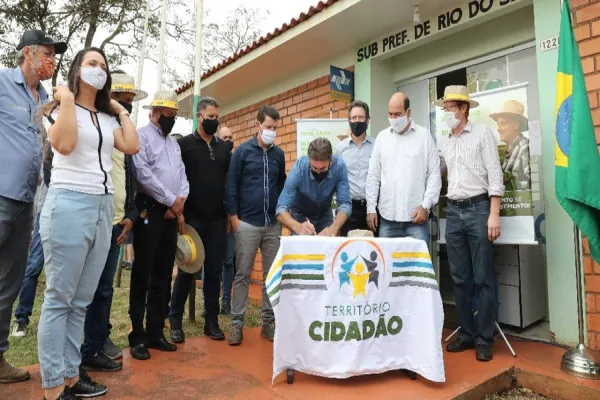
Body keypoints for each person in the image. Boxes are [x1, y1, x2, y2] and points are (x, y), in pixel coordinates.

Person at [37, 47, 138, 400]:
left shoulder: (107, 118)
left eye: (103, 65)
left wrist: (120, 109)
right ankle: (53, 385)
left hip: (103, 207)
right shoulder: (59, 108)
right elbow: (64, 144)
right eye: (91, 63)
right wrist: (66, 98)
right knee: (59, 299)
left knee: (81, 301)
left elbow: (132, 145)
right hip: (69, 203)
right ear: (78, 70)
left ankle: (70, 375)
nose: (99, 69)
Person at [0, 29, 66, 384]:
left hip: (27, 200)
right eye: (47, 54)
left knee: (9, 282)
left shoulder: (43, 97)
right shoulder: (2, 82)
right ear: (27, 53)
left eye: (54, 56)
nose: (51, 61)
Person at [79, 71, 147, 374]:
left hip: (118, 222)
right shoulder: (95, 127)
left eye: (130, 101)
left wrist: (130, 216)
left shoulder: (123, 133)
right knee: (86, 289)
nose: (126, 105)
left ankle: (98, 341)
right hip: (93, 218)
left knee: (105, 288)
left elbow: (131, 181)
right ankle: (84, 349)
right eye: (122, 99)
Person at [437, 85, 504, 362]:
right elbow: (439, 173)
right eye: (444, 108)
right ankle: (466, 333)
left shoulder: (482, 134)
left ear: (463, 109)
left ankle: (484, 338)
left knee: (483, 277)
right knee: (459, 277)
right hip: (453, 211)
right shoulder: (446, 141)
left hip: (479, 209)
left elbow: (495, 174)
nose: (446, 112)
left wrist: (494, 213)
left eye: (450, 108)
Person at [129, 91, 188, 360]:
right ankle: (137, 335)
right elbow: (142, 175)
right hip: (150, 210)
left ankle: (155, 331)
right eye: (167, 115)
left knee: (163, 274)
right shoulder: (141, 137)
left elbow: (182, 176)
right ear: (154, 113)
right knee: (142, 273)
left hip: (170, 214)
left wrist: (179, 202)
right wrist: (169, 200)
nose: (171, 120)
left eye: (174, 116)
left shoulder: (174, 144)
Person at [169, 97, 230, 343]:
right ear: (199, 116)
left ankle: (211, 321)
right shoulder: (184, 145)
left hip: (217, 220)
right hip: (191, 219)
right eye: (210, 117)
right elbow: (175, 180)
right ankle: (175, 320)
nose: (214, 121)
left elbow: (227, 181)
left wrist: (228, 213)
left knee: (213, 271)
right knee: (187, 270)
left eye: (217, 117)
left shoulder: (223, 148)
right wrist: (179, 213)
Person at [228, 106, 286, 345]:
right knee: (242, 274)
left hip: (272, 225)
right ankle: (236, 324)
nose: (271, 131)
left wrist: (282, 215)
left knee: (271, 276)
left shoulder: (278, 154)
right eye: (268, 127)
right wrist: (234, 218)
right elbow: (231, 185)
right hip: (247, 224)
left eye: (275, 127)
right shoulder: (242, 152)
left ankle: (268, 323)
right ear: (258, 125)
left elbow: (281, 186)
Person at [365, 92, 441, 246]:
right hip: (387, 220)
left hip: (416, 220)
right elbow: (373, 175)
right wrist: (371, 208)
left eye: (397, 114)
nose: (393, 118)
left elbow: (434, 173)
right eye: (390, 114)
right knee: (387, 261)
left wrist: (426, 206)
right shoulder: (382, 138)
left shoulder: (424, 137)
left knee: (417, 262)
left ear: (408, 112)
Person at [12, 144, 53, 339]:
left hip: (69, 215)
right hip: (46, 212)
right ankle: (21, 318)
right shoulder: (51, 146)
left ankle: (52, 318)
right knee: (35, 265)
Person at [276, 137, 351, 236]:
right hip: (300, 215)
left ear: (331, 161)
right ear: (309, 160)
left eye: (323, 168)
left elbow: (345, 204)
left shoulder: (339, 167)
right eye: (314, 168)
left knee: (327, 244)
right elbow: (281, 208)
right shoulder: (299, 169)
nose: (318, 172)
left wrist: (334, 228)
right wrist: (298, 227)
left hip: (325, 214)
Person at [335, 101, 375, 236]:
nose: (357, 121)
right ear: (349, 120)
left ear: (367, 120)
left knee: (373, 247)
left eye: (361, 117)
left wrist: (372, 208)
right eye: (354, 117)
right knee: (349, 246)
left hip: (372, 209)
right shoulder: (340, 149)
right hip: (349, 209)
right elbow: (336, 178)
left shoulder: (377, 146)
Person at [490, 100, 531, 191]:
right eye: (498, 124)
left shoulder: (525, 148)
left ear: (516, 125)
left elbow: (527, 186)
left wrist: (505, 180)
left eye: (503, 123)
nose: (498, 129)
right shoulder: (509, 150)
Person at [217, 126, 236, 314]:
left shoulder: (236, 162)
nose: (228, 140)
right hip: (213, 219)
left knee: (228, 262)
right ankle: (209, 302)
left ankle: (226, 302)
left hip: (231, 218)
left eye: (230, 137)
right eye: (225, 138)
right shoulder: (213, 160)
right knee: (210, 262)